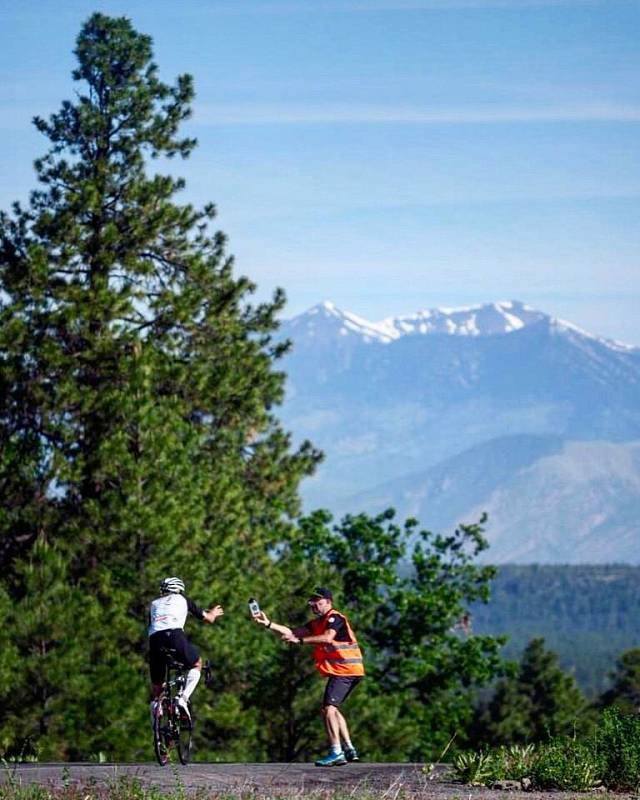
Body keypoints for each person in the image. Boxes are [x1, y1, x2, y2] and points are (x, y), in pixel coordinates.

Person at [253, 587, 364, 766]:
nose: (314, 605)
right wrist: (268, 624)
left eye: (318, 602)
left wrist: (301, 641)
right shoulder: (317, 623)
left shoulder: (335, 618)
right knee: (332, 708)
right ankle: (349, 748)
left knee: (328, 708)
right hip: (348, 670)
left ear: (329, 602)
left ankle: (336, 751)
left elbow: (328, 638)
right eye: (312, 602)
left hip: (346, 670)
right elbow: (292, 632)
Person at [148, 576, 223, 722]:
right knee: (197, 664)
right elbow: (208, 619)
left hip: (155, 640)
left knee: (157, 683)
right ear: (179, 590)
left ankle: (157, 706)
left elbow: (152, 625)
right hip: (175, 636)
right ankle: (182, 699)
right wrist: (213, 613)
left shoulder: (154, 603)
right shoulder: (183, 600)